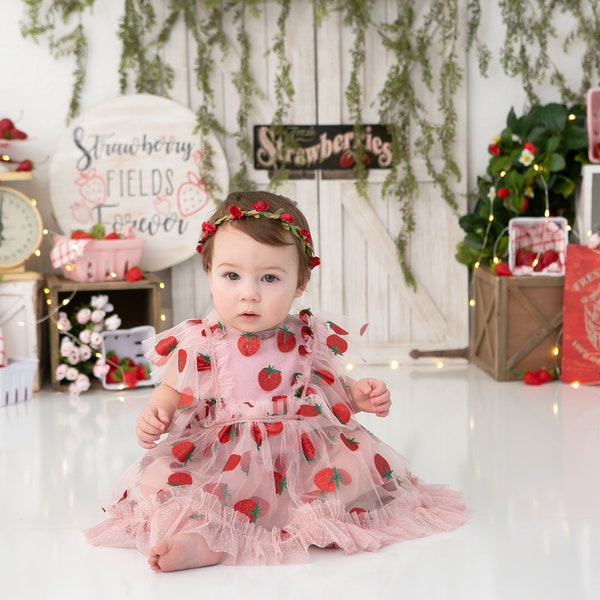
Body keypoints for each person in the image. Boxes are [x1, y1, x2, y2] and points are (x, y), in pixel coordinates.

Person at [85, 190, 468, 572]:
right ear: (209, 273)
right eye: (232, 276)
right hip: (226, 460)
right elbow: (171, 387)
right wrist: (159, 409)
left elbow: (325, 389)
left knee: (353, 459)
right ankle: (205, 538)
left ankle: (316, 518)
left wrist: (356, 396)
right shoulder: (200, 339)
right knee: (163, 478)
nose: (249, 293)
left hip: (300, 458)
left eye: (269, 278)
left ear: (299, 283)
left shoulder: (309, 337)